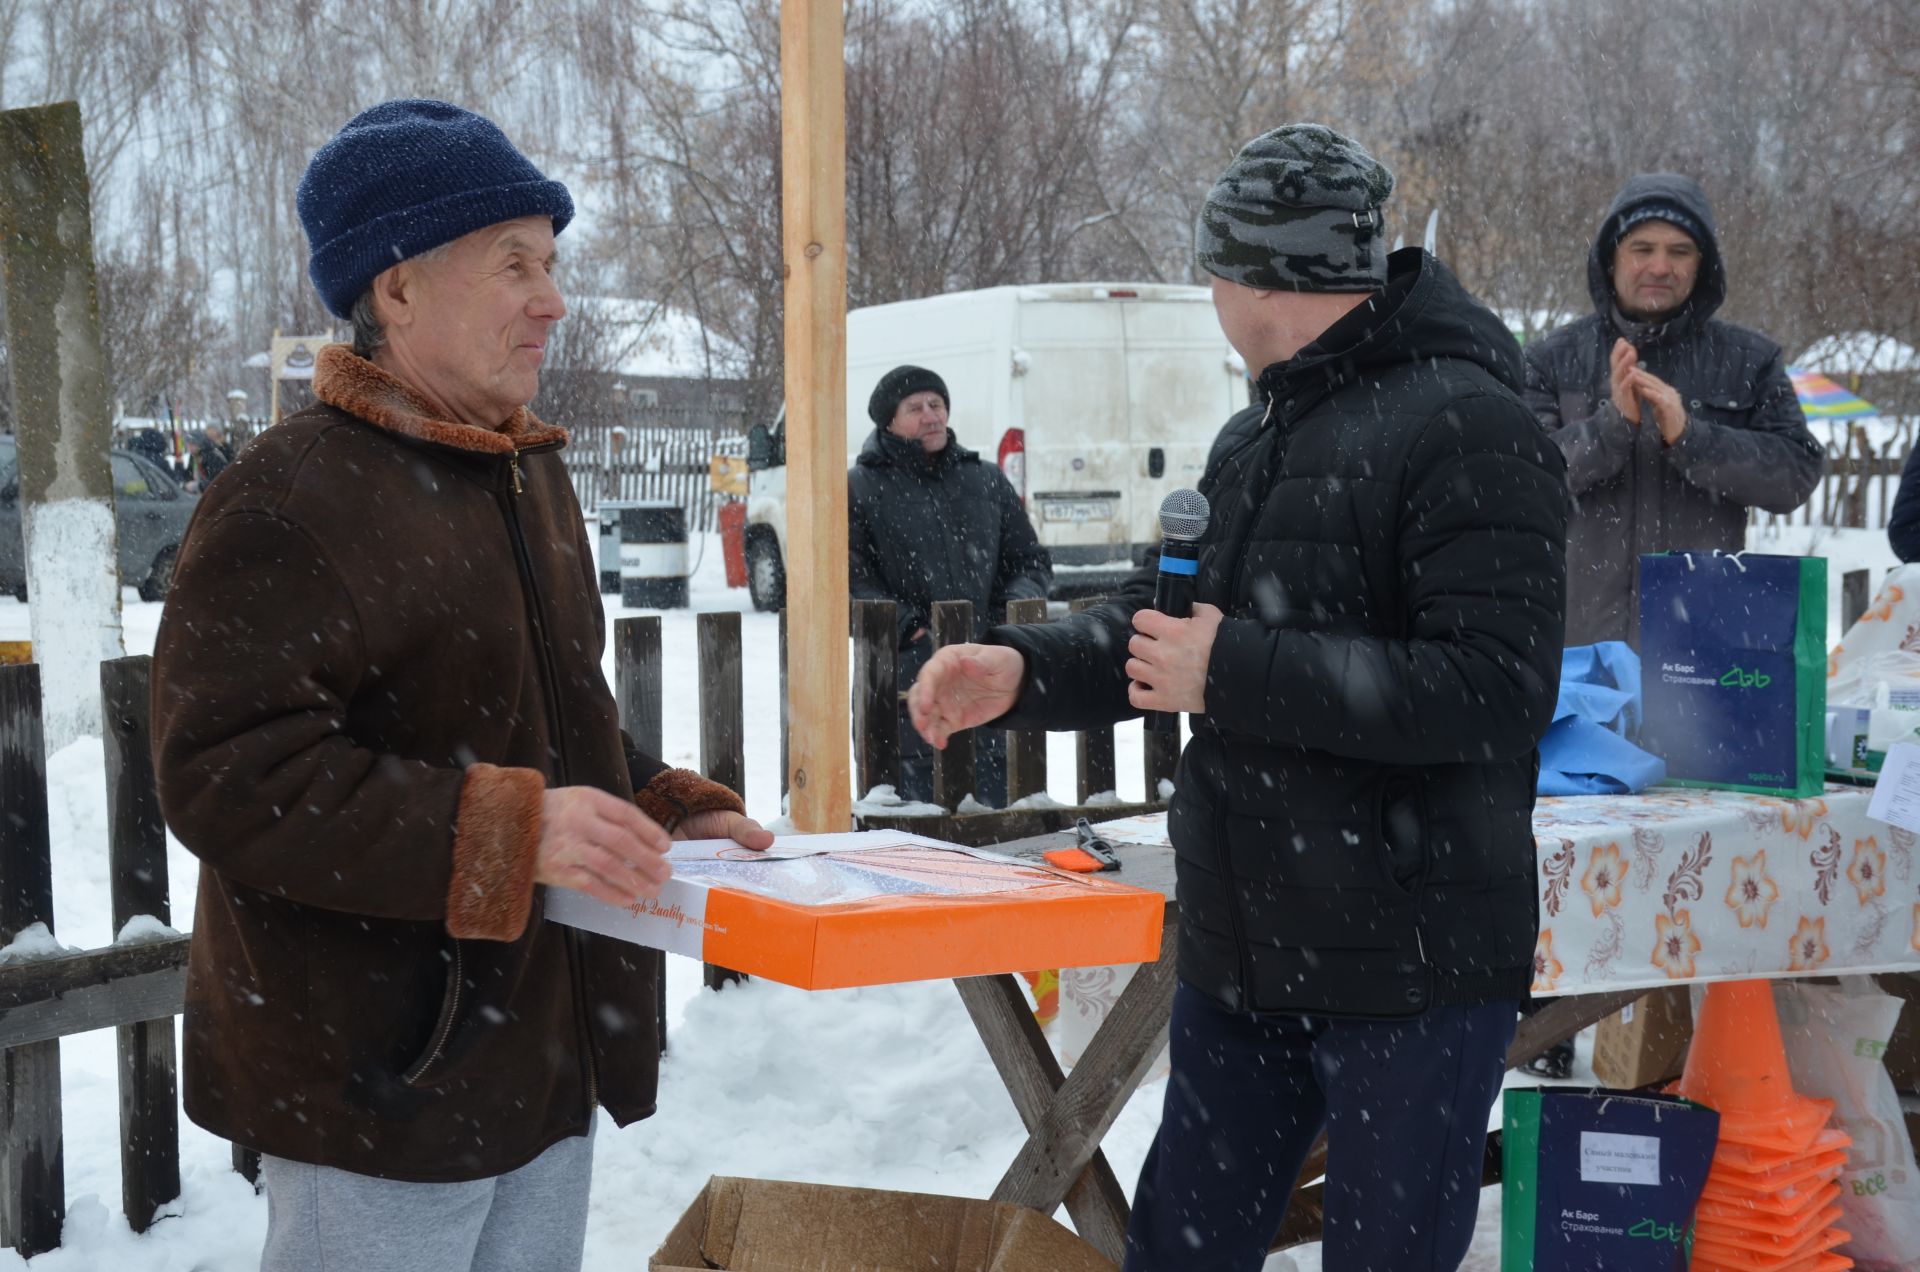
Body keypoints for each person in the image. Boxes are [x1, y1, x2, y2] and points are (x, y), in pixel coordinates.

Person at [909, 124, 1568, 1270]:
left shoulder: (1473, 424)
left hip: (1410, 967)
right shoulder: (1259, 428)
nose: (1205, 286)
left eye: (1213, 261)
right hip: (1248, 949)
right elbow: (1162, 626)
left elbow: (1495, 690)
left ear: (1260, 274)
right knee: (1179, 1252)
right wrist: (1022, 668)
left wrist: (1239, 671)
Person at [150, 99, 770, 1272]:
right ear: (397, 291)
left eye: (552, 261)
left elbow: (549, 711)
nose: (553, 298)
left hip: (534, 1052)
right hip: (379, 1077)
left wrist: (657, 803)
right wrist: (507, 827)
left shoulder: (525, 474)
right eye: (515, 264)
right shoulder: (290, 496)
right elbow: (229, 779)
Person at [1524, 173, 1822, 648]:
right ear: (1611, 259)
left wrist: (1690, 437)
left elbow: (1795, 475)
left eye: (1680, 251)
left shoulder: (1750, 359)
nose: (1660, 266)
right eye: (1642, 249)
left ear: (1703, 265)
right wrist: (1609, 430)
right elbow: (1520, 482)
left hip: (1701, 643)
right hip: (1576, 649)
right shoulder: (1550, 360)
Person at [848, 365, 1050, 806]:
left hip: (988, 670)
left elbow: (1028, 561)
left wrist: (1010, 614)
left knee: (1001, 820)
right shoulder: (860, 487)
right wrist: (909, 628)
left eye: (936, 404)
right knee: (915, 831)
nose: (931, 416)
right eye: (915, 408)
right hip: (905, 681)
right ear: (888, 421)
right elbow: (849, 578)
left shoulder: (985, 479)